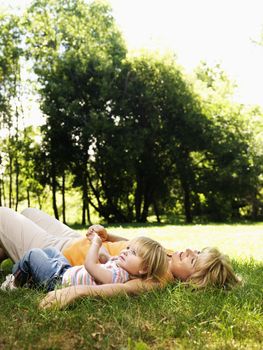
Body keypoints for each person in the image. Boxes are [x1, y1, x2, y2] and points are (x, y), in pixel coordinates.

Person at [0, 207, 240, 309]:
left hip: (62, 253)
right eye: (197, 251)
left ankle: (18, 270)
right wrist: (107, 234)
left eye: (194, 260)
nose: (189, 252)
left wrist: (75, 292)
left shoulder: (159, 278)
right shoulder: (169, 255)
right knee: (28, 213)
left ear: (192, 280)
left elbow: (118, 289)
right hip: (77, 238)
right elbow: (133, 244)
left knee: (3, 215)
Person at [1, 234, 168, 291]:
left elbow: (91, 265)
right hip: (67, 270)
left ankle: (15, 280)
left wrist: (95, 245)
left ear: (143, 268)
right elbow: (106, 259)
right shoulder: (121, 266)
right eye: (128, 247)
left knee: (32, 254)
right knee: (52, 251)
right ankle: (31, 279)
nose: (125, 251)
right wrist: (100, 245)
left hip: (58, 281)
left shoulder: (117, 278)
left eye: (133, 252)